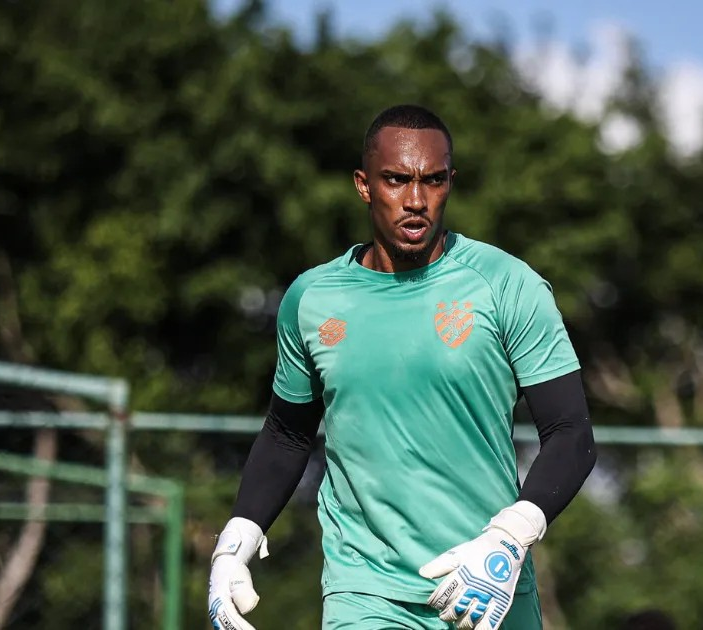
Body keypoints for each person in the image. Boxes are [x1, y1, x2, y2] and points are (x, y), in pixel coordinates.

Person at [208, 104, 597, 630]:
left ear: (450, 183)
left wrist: (509, 538)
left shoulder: (507, 285)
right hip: (366, 591)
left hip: (488, 586)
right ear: (364, 185)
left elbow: (571, 432)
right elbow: (286, 434)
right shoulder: (312, 299)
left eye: (432, 182)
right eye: (395, 180)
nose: (415, 201)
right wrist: (236, 540)